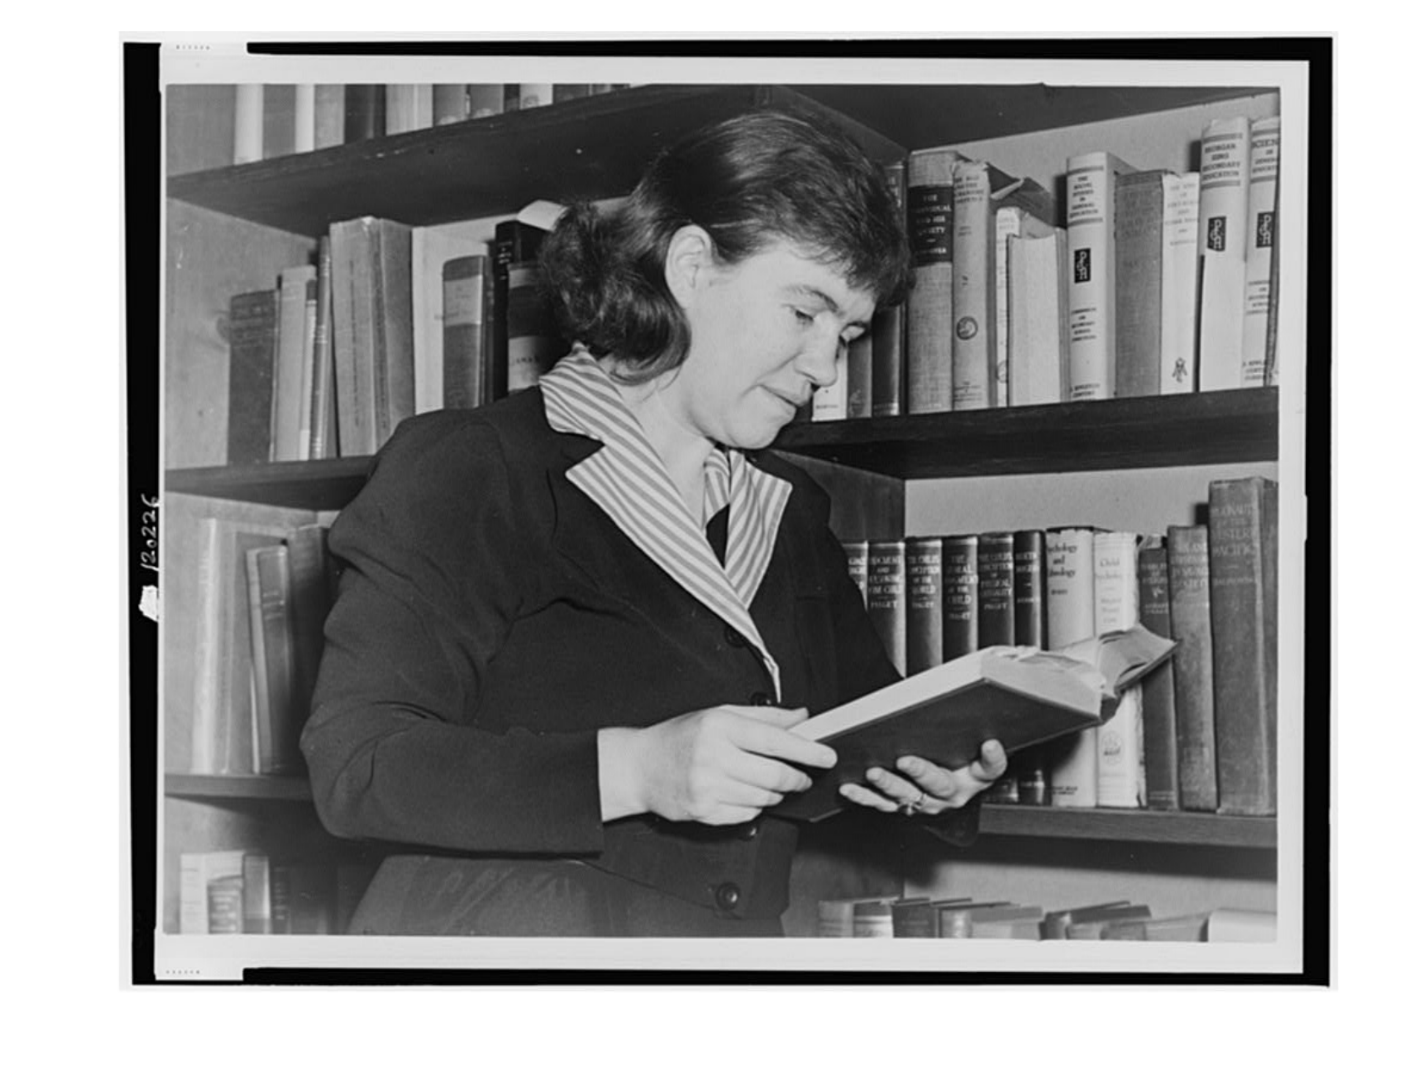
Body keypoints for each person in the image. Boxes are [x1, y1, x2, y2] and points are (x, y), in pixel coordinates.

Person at [301, 109, 1007, 937]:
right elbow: (354, 764)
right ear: (692, 265)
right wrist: (637, 769)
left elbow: (855, 730)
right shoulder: (474, 466)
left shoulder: (789, 509)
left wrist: (934, 773)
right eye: (802, 313)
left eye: (847, 333)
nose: (823, 366)